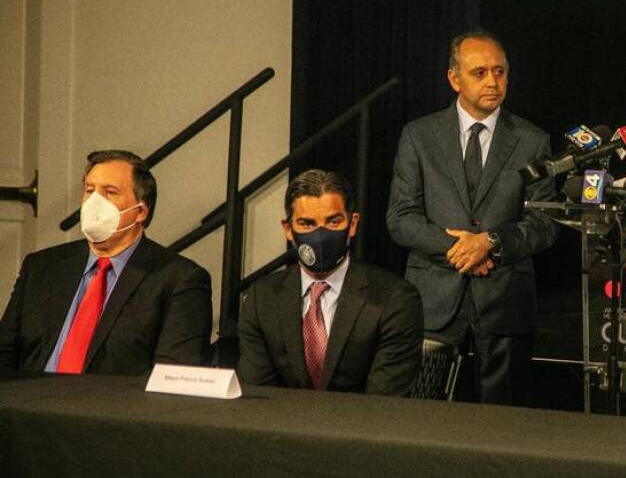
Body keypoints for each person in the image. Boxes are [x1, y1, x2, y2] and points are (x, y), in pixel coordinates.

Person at [386, 29, 559, 405]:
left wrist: (491, 245)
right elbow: (401, 217)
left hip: (504, 303)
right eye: (480, 73)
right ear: (454, 79)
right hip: (433, 302)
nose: (493, 82)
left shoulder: (533, 141)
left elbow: (545, 226)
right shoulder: (418, 136)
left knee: (501, 428)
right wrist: (462, 248)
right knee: (422, 424)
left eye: (500, 72)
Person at [0, 150, 213, 375]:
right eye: (89, 190)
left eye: (110, 192)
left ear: (140, 211)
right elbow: (4, 352)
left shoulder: (179, 279)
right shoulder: (41, 267)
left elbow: (172, 376)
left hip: (112, 408)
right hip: (29, 404)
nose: (94, 202)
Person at [237, 169, 423, 395]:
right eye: (307, 224)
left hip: (360, 427)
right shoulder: (261, 299)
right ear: (288, 229)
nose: (320, 235)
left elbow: (383, 402)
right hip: (282, 427)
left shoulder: (394, 300)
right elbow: (259, 396)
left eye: (333, 222)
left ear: (352, 224)